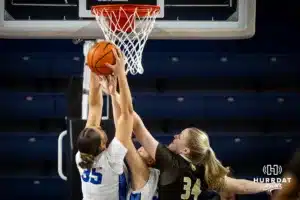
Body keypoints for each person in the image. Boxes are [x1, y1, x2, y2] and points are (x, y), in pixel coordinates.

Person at [131, 113, 282, 199]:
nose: (175, 136)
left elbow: (136, 125)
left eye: (180, 136)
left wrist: (116, 89)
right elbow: (241, 186)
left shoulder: (170, 162)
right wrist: (268, 186)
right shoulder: (204, 171)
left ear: (186, 151)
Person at [75, 48, 133, 200]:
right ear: (102, 145)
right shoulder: (110, 160)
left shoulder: (83, 156)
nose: (98, 125)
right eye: (100, 128)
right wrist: (120, 74)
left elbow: (94, 106)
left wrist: (94, 69)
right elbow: (127, 113)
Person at [102, 76, 159, 200]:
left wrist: (114, 92)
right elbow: (122, 133)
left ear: (151, 161)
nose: (142, 147)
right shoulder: (144, 176)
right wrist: (113, 94)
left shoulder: (145, 173)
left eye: (146, 149)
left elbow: (123, 134)